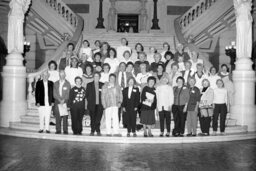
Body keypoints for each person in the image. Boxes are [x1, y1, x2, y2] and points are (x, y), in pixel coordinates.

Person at [53, 70, 71, 134]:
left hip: (65, 101)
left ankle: (65, 130)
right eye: (61, 74)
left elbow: (68, 93)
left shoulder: (68, 83)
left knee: (65, 117)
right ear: (59, 75)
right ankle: (58, 130)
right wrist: (59, 99)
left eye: (63, 74)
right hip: (57, 101)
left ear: (65, 75)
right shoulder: (55, 83)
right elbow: (54, 93)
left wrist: (64, 100)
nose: (62, 76)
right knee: (58, 116)